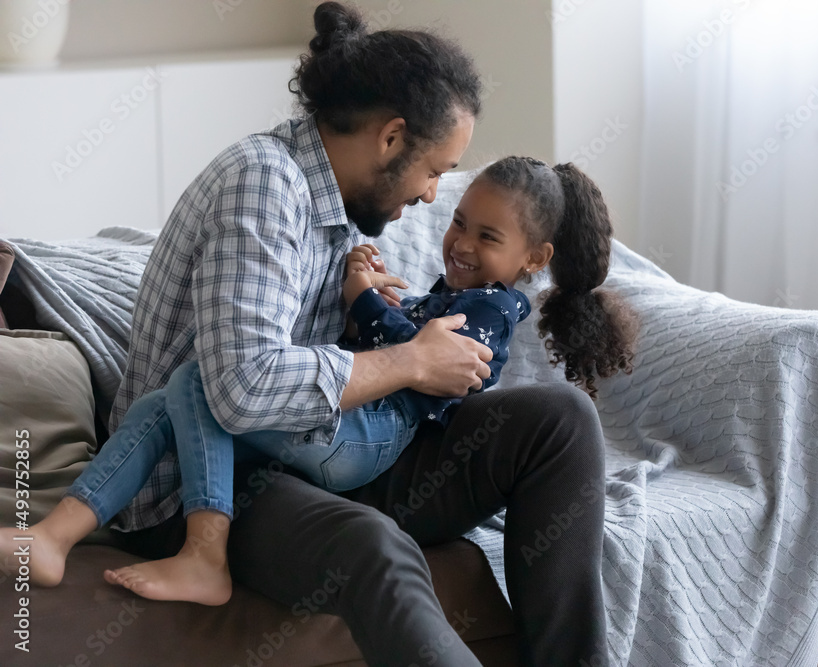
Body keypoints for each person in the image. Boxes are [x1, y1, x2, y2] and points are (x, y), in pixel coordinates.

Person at [2, 3, 637, 664]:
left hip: (315, 442)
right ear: (390, 139)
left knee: (561, 420)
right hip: (207, 471)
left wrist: (378, 308)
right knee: (372, 546)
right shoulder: (263, 185)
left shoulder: (338, 210)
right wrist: (412, 360)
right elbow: (240, 389)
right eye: (433, 170)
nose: (430, 197)